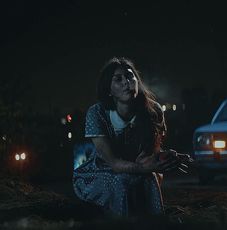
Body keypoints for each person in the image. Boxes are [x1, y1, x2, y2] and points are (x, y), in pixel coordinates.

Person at [73, 57, 191, 217]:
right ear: (109, 88)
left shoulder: (153, 110)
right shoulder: (97, 113)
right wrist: (146, 168)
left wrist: (167, 157)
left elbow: (148, 156)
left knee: (149, 178)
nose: (126, 82)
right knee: (122, 182)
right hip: (102, 170)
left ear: (137, 81)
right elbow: (113, 163)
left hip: (140, 166)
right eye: (118, 79)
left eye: (129, 76)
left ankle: (155, 224)